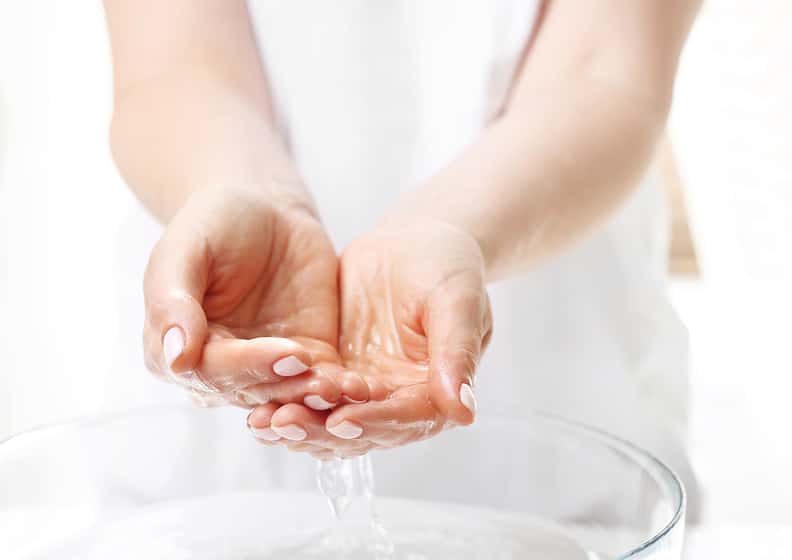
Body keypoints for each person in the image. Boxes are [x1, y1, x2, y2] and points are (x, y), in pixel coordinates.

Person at [103, 0, 699, 496]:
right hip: (213, 438)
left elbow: (606, 76)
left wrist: (444, 228)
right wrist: (241, 185)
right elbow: (170, 71)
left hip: (569, 412)